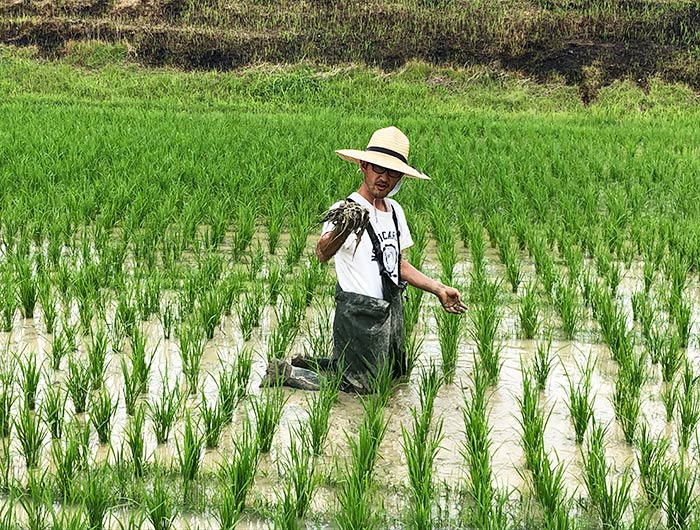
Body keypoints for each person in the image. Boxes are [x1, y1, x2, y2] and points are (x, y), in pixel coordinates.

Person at [263, 126, 466, 393]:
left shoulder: (395, 212)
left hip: (390, 310)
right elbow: (323, 252)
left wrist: (438, 289)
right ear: (363, 166)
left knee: (392, 376)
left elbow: (397, 265)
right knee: (361, 388)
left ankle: (312, 363)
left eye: (392, 172)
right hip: (358, 314)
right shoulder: (345, 209)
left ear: (400, 177)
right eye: (378, 169)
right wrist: (346, 226)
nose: (384, 178)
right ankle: (286, 372)